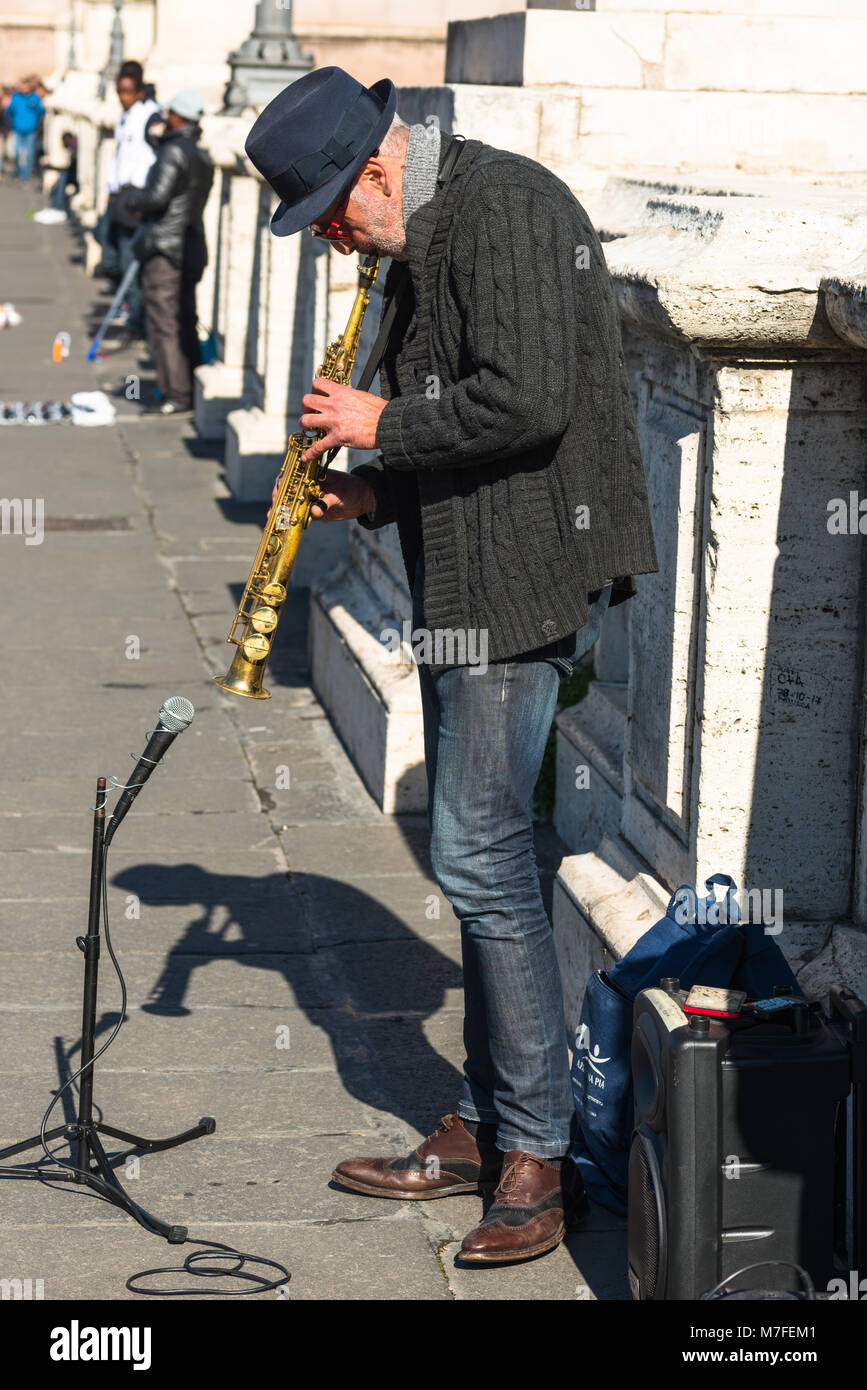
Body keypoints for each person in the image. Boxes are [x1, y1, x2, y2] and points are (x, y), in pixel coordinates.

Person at [244, 68, 659, 1266]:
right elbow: (456, 408)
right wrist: (373, 491)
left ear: (378, 165)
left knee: (480, 855)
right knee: (478, 854)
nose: (331, 242)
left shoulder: (507, 209)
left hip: (522, 578)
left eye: (328, 216)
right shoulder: (429, 224)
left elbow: (524, 401)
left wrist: (381, 429)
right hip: (465, 572)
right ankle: (487, 1124)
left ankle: (532, 1151)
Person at [123, 91, 214, 415]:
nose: (164, 117)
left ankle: (177, 393)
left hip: (165, 246)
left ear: (179, 116)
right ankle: (189, 385)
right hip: (189, 245)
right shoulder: (199, 154)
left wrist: (131, 199)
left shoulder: (173, 151)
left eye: (169, 112)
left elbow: (156, 198)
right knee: (185, 318)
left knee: (163, 321)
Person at [99, 61, 160, 347]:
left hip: (137, 199)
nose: (123, 97)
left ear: (137, 91)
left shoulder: (149, 116)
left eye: (128, 92)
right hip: (118, 197)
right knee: (109, 256)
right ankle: (129, 307)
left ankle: (136, 323)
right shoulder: (124, 117)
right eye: (119, 92)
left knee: (129, 259)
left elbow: (159, 153)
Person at [6, 76, 44, 181]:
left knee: (29, 153)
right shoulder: (15, 97)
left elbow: (41, 112)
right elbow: (8, 111)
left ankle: (25, 174)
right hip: (17, 129)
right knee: (17, 152)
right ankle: (17, 171)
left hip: (30, 130)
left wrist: (35, 107)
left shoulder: (35, 98)